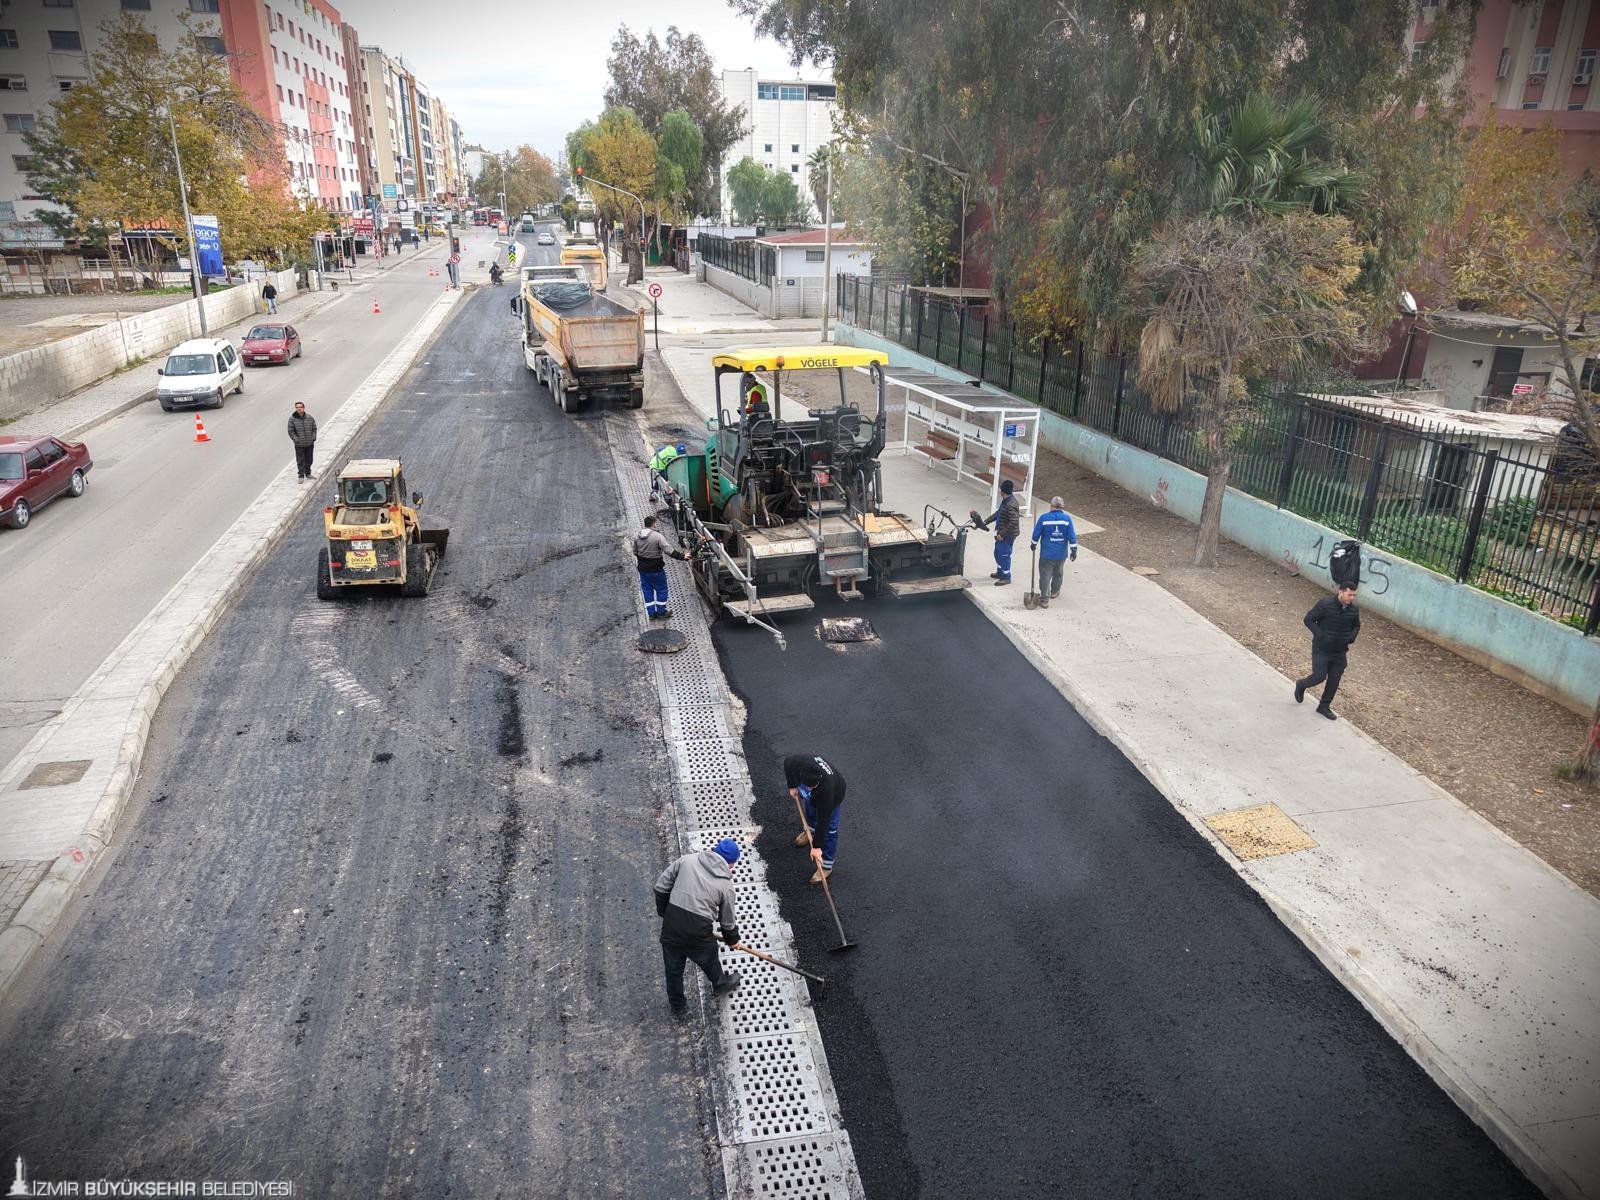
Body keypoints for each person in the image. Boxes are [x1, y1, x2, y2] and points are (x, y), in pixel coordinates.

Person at [654, 839, 743, 1018]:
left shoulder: (687, 860)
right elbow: (727, 921)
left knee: (673, 970)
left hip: (671, 927)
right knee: (709, 956)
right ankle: (720, 984)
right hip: (698, 932)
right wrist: (733, 940)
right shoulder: (725, 886)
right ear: (731, 863)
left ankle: (678, 1008)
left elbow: (661, 886)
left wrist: (666, 913)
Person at [1294, 583, 1360, 720]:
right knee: (1319, 676)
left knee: (1334, 680)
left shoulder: (1353, 610)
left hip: (1340, 652)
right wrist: (1320, 635)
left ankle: (1324, 706)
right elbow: (1309, 619)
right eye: (1350, 594)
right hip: (1321, 649)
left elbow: (1356, 625)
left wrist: (1351, 637)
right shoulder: (1325, 604)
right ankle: (1301, 684)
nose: (1352, 598)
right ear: (1340, 592)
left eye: (1354, 595)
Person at [785, 753, 846, 884]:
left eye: (813, 787)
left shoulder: (827, 789)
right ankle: (810, 832)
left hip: (835, 795)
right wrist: (792, 785)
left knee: (830, 830)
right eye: (808, 786)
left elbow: (824, 821)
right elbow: (788, 762)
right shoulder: (800, 762)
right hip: (815, 793)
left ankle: (826, 866)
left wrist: (817, 847)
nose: (810, 789)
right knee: (810, 806)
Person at [634, 513, 689, 620]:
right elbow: (668, 550)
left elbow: (635, 552)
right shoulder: (657, 536)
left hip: (643, 570)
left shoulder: (637, 537)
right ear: (653, 525)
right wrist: (683, 556)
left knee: (647, 590)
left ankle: (651, 614)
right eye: (656, 524)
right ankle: (661, 612)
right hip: (656, 569)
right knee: (662, 589)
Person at [1029, 496, 1079, 608]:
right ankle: (1055, 591)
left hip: (1046, 554)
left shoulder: (1044, 518)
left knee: (1045, 576)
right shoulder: (1067, 520)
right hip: (1061, 555)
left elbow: (1036, 534)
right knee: (1058, 573)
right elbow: (1072, 536)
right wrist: (1074, 550)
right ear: (1062, 506)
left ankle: (1044, 600)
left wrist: (1033, 544)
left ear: (1051, 506)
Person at [971, 478, 1022, 586]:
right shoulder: (1006, 501)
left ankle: (1006, 576)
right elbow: (998, 514)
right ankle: (1000, 571)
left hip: (1007, 534)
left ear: (1002, 491)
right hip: (1003, 532)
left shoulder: (1010, 504)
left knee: (1003, 554)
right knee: (997, 552)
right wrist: (984, 522)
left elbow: (1013, 522)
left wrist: (1002, 534)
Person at [287, 402, 317, 482]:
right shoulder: (292, 419)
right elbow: (291, 431)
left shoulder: (310, 418)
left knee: (309, 459)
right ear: (295, 408)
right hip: (299, 444)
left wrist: (313, 438)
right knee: (300, 460)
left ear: (304, 408)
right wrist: (296, 440)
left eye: (300, 407)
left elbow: (314, 428)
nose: (299, 408)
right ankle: (300, 475)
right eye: (297, 407)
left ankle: (308, 473)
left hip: (309, 443)